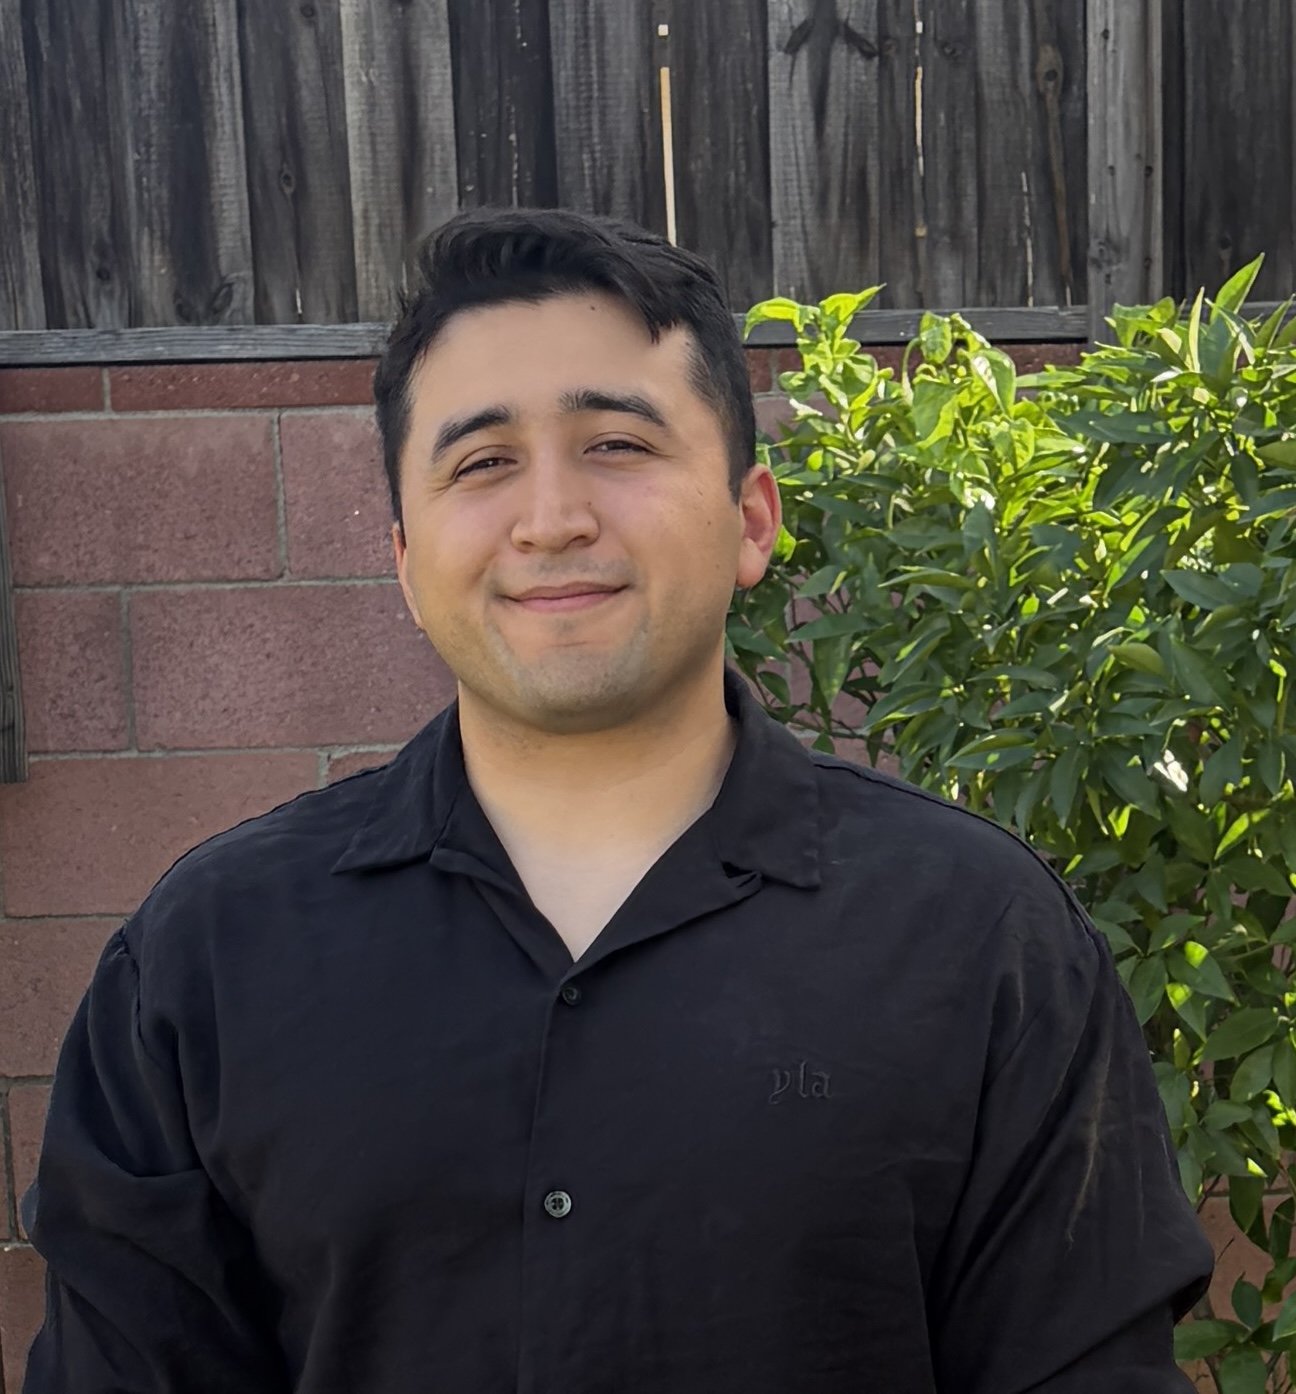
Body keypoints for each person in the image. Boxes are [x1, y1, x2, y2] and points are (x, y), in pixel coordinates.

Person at [22, 207, 1212, 1393]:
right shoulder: (209, 958)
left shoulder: (981, 939)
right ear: (402, 558)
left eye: (618, 446)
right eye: (482, 463)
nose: (552, 519)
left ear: (752, 521)